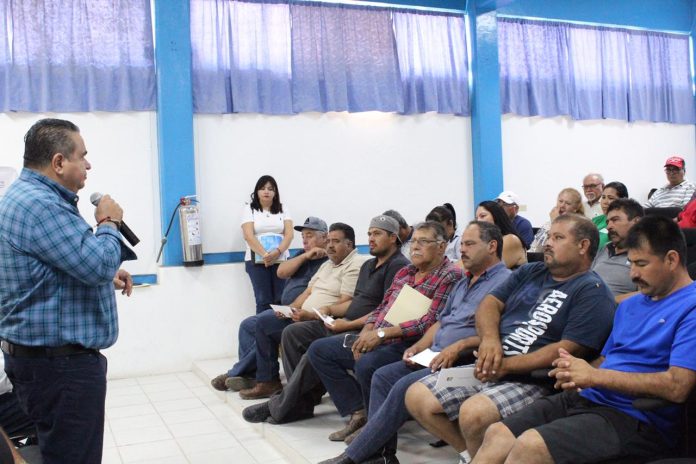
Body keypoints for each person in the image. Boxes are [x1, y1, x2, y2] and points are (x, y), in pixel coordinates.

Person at [474, 215, 696, 464]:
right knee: (498, 434)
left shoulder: (691, 307)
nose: (633, 274)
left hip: (636, 416)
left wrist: (594, 377)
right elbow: (605, 359)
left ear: (672, 259)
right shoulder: (630, 305)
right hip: (590, 397)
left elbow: (677, 386)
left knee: (530, 446)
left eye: (641, 264)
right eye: (631, 263)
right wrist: (575, 371)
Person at [405, 214, 615, 464]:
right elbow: (489, 303)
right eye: (549, 236)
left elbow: (568, 349)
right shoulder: (530, 271)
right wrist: (490, 340)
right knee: (416, 396)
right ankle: (472, 456)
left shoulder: (592, 291)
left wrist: (505, 366)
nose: (548, 243)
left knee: (474, 413)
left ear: (583, 246)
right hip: (492, 362)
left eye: (558, 238)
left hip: (533, 379)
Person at [0, 118, 136, 463]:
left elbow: (55, 266)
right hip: (61, 368)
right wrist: (108, 222)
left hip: (46, 362)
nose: (88, 165)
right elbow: (97, 263)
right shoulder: (41, 205)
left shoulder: (28, 196)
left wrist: (106, 275)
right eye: (82, 156)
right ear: (59, 162)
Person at [319, 221, 512, 464]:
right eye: (462, 244)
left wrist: (459, 346)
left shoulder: (506, 283)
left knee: (401, 385)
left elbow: (500, 335)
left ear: (492, 246)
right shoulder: (465, 281)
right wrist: (419, 347)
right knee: (382, 376)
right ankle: (382, 455)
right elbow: (441, 322)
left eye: (470, 244)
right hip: (432, 353)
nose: (462, 250)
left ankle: (354, 456)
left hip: (463, 359)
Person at [241, 215, 409, 423]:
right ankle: (298, 402)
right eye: (369, 234)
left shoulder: (398, 267)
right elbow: (358, 302)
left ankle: (285, 404)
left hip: (362, 328)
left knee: (316, 350)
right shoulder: (369, 265)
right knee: (292, 332)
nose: (371, 238)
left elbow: (385, 311)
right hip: (342, 321)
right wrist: (325, 312)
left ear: (393, 238)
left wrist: (346, 323)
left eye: (377, 234)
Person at [308, 222, 463, 442]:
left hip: (410, 342)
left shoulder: (449, 276)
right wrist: (367, 331)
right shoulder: (406, 272)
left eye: (423, 242)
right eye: (413, 241)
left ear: (441, 247)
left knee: (367, 363)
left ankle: (375, 429)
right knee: (320, 350)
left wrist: (381, 335)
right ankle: (359, 411)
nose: (415, 247)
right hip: (378, 336)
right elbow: (382, 307)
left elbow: (430, 322)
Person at [237, 222, 367, 400]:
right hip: (303, 314)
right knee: (263, 322)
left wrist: (311, 315)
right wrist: (290, 309)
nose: (329, 245)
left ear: (349, 244)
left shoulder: (355, 264)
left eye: (335, 241)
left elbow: (346, 303)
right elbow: (307, 292)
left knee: (289, 331)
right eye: (329, 241)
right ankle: (268, 382)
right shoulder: (327, 264)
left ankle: (300, 394)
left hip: (323, 319)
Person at [211, 216, 329, 392]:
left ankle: (241, 373)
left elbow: (314, 293)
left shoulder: (328, 261)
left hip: (301, 313)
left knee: (264, 324)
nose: (305, 240)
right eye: (303, 236)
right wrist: (305, 256)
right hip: (286, 309)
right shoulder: (302, 255)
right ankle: (251, 375)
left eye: (310, 235)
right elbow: (281, 272)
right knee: (247, 325)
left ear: (325, 237)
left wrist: (292, 309)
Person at [241, 175, 294, 314]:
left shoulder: (283, 208)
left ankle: (281, 328)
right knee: (263, 299)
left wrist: (277, 252)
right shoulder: (249, 209)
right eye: (263, 188)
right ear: (257, 191)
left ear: (275, 192)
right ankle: (262, 328)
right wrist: (265, 255)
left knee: (282, 298)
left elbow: (289, 235)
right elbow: (248, 235)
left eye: (270, 189)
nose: (266, 191)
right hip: (257, 260)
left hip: (280, 259)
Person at [591, 199, 643, 302]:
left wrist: (607, 302)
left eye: (615, 220)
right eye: (608, 222)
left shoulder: (646, 254)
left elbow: (646, 295)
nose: (608, 227)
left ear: (636, 222)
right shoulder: (605, 248)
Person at [529, 188, 584, 252]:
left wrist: (555, 222)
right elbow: (536, 247)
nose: (562, 205)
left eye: (567, 203)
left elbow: (557, 248)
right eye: (560, 201)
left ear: (575, 209)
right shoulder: (548, 223)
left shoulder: (577, 226)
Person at [475, 201, 527, 268]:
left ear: (496, 216)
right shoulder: (486, 242)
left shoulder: (511, 239)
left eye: (483, 216)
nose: (478, 221)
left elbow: (489, 270)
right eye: (476, 218)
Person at [591, 181, 629, 250]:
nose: (605, 202)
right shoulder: (595, 220)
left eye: (611, 198)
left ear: (623, 200)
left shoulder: (625, 223)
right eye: (603, 197)